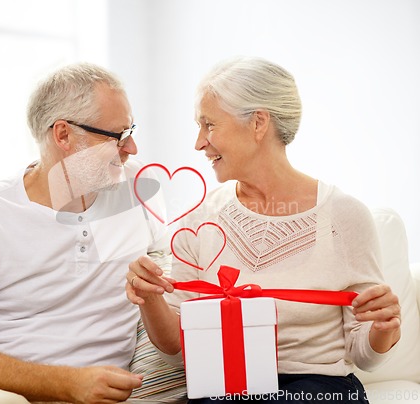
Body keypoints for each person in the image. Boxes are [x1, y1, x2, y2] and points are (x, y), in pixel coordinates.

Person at [126, 57, 401, 403]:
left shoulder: (344, 217)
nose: (199, 143)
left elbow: (364, 354)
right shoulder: (199, 221)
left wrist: (382, 329)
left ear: (258, 123)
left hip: (318, 390)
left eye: (209, 125)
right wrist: (149, 298)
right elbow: (177, 351)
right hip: (226, 390)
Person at [0, 62, 169, 404]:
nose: (131, 149)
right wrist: (69, 384)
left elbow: (173, 284)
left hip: (103, 393)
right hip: (1, 392)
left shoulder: (139, 190)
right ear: (63, 135)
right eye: (119, 136)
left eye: (130, 132)